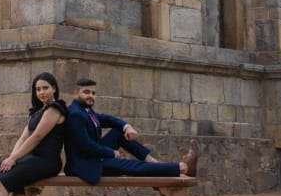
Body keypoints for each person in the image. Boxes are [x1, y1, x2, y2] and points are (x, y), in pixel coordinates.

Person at [64, 77, 198, 184]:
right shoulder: (76, 114)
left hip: (93, 157)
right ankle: (182, 167)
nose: (91, 96)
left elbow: (107, 119)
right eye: (86, 92)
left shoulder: (85, 110)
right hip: (85, 165)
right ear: (76, 93)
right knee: (131, 166)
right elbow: (86, 146)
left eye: (93, 93)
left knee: (118, 132)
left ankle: (153, 162)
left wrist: (126, 127)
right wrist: (112, 153)